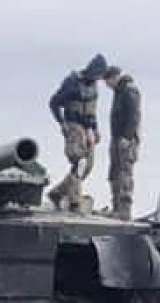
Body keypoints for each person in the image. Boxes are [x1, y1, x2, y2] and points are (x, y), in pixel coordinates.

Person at [47, 53, 107, 212]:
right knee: (79, 161)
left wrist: (95, 129)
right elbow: (54, 102)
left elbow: (91, 110)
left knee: (87, 166)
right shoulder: (72, 83)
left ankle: (58, 192)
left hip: (87, 128)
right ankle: (74, 201)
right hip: (73, 125)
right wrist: (62, 122)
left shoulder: (93, 86)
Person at [102, 65, 141, 220]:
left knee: (124, 173)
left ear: (114, 77)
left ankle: (124, 210)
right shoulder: (118, 92)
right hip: (116, 138)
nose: (107, 85)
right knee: (114, 173)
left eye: (107, 81)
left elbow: (134, 115)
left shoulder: (129, 90)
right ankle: (116, 208)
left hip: (126, 140)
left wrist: (127, 136)